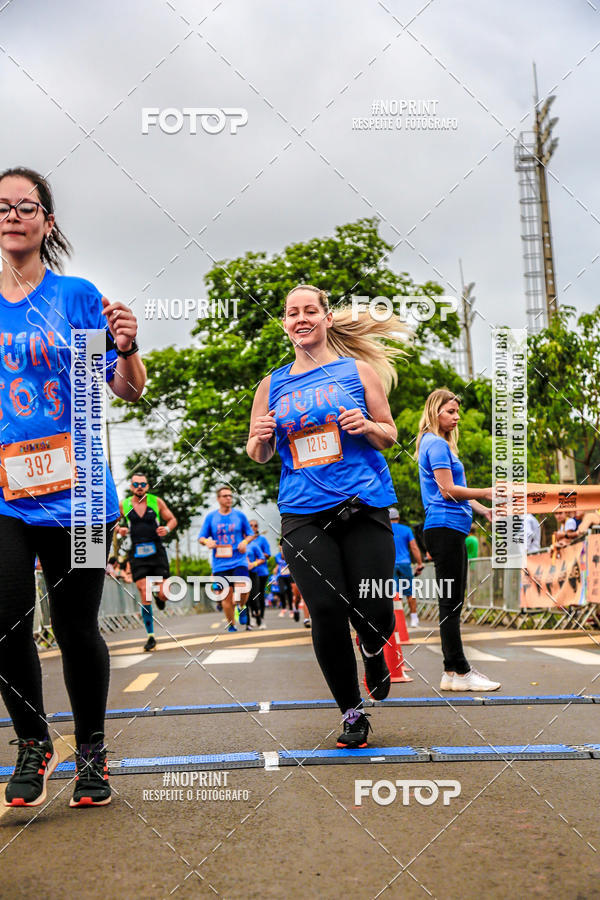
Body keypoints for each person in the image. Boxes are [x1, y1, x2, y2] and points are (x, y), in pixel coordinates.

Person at [0, 166, 145, 807]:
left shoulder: (79, 297)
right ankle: (34, 742)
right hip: (4, 491)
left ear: (46, 222)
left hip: (80, 492)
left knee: (76, 625)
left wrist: (129, 347)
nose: (11, 216)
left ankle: (91, 753)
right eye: (1, 207)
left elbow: (126, 388)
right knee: (4, 624)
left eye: (25, 206)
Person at [247, 284, 403, 748]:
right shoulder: (271, 385)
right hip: (303, 513)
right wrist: (258, 437)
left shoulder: (359, 372)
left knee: (373, 609)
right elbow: (258, 452)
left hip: (362, 504)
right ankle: (351, 712)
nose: (300, 318)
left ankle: (373, 647)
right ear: (285, 324)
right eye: (292, 312)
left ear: (326, 318)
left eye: (309, 310)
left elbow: (389, 434)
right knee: (327, 611)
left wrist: (367, 426)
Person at [416, 389, 500, 693]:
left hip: (448, 526)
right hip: (445, 527)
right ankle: (460, 670)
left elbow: (453, 491)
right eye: (450, 411)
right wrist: (485, 492)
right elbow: (448, 490)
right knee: (451, 603)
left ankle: (452, 672)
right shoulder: (436, 445)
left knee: (452, 601)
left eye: (457, 412)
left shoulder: (434, 443)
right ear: (435, 411)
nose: (456, 417)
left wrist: (483, 509)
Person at [118, 474, 177, 651]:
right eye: (136, 484)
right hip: (137, 552)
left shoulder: (156, 502)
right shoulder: (124, 504)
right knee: (144, 590)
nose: (139, 487)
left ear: (148, 486)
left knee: (165, 591)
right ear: (131, 486)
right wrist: (119, 529)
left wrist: (166, 528)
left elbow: (172, 519)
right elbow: (111, 522)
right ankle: (150, 636)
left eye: (143, 484)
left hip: (157, 551)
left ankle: (161, 598)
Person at [198, 487, 254, 632]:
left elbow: (250, 534)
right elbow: (201, 537)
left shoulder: (239, 516)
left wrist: (245, 542)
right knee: (226, 595)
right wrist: (207, 542)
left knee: (243, 587)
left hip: (238, 559)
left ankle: (241, 606)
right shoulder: (211, 517)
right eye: (225, 496)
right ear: (218, 499)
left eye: (230, 496)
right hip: (220, 563)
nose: (228, 498)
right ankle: (231, 624)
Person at [389, 508, 424, 628]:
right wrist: (420, 563)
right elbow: (414, 547)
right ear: (398, 518)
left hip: (390, 564)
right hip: (405, 564)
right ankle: (414, 619)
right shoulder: (406, 530)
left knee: (393, 592)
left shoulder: (385, 530)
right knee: (409, 592)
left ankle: (395, 620)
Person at [247, 519, 271, 628]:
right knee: (250, 596)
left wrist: (257, 557)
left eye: (255, 525)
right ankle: (251, 617)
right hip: (248, 573)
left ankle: (261, 618)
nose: (253, 527)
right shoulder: (246, 541)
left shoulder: (262, 540)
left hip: (261, 571)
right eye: (251, 525)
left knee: (259, 596)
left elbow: (267, 555)